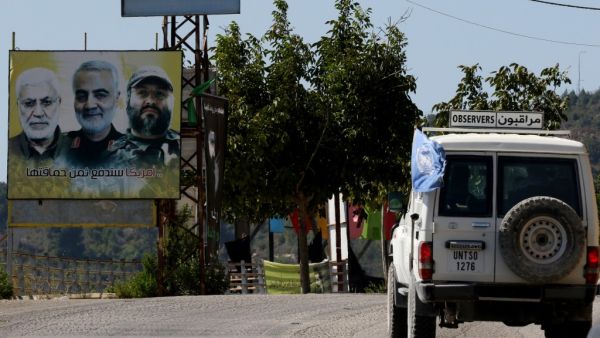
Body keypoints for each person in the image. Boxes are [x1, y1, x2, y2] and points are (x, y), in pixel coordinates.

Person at [59, 60, 124, 168]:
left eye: (100, 95)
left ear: (116, 99)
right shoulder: (58, 148)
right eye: (81, 96)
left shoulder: (134, 152)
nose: (90, 105)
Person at [116, 65, 180, 168]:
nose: (151, 101)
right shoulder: (110, 154)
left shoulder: (183, 145)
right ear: (127, 101)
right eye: (142, 93)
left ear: (172, 102)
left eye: (159, 94)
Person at [9, 67, 66, 164]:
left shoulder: (80, 151)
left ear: (58, 103)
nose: (38, 113)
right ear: (18, 106)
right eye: (29, 103)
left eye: (47, 102)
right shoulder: (5, 149)